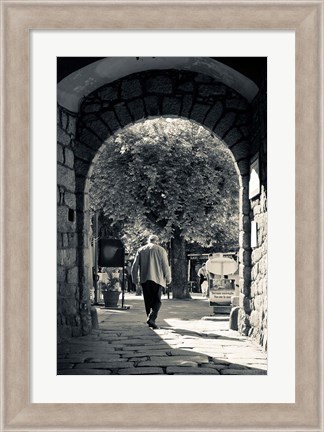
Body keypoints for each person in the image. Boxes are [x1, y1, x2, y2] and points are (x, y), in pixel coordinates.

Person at [131, 235, 171, 329]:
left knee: (147, 300)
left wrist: (135, 279)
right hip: (158, 279)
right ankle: (152, 318)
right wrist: (168, 278)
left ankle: (150, 319)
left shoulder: (141, 250)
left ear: (148, 241)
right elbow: (165, 265)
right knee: (157, 300)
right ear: (157, 241)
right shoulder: (161, 250)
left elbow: (135, 266)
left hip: (145, 279)